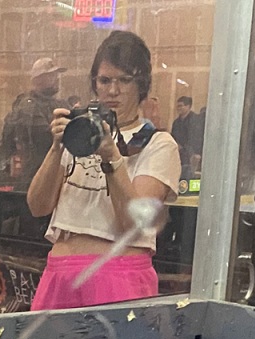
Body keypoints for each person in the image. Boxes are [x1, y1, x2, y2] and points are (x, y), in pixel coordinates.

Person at [26, 30, 181, 310]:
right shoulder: (81, 134)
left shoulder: (158, 144)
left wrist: (112, 158)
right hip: (60, 273)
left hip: (118, 275)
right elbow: (37, 206)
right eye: (105, 80)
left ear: (141, 84)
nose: (113, 91)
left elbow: (134, 225)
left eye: (125, 80)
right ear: (94, 83)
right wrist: (57, 147)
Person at [0, 57, 65, 184]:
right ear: (38, 80)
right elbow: (44, 140)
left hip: (55, 173)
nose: (57, 79)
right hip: (35, 176)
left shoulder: (57, 103)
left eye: (56, 75)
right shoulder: (29, 107)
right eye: (51, 75)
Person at [169, 93, 202, 173]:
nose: (179, 108)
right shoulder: (176, 122)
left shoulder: (196, 120)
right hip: (179, 154)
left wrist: (196, 153)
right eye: (177, 106)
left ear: (188, 106)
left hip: (192, 154)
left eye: (181, 106)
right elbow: (173, 137)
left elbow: (198, 138)